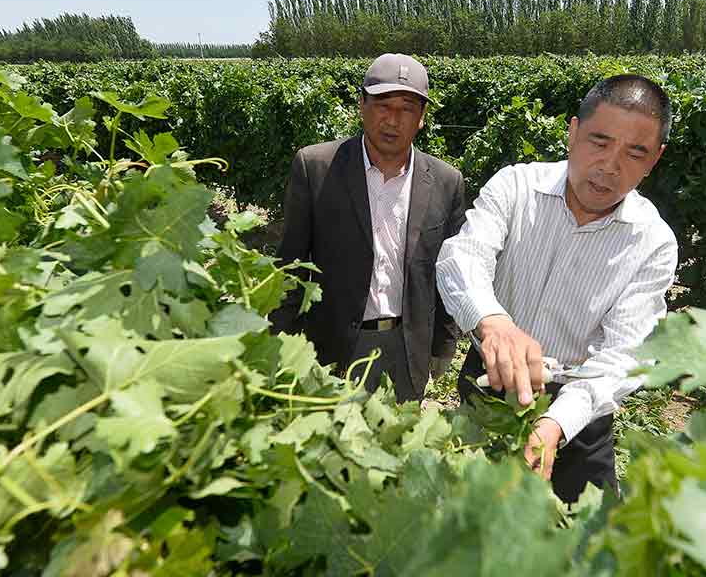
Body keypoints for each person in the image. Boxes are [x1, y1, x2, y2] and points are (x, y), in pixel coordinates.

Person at [435, 74, 677, 502]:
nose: (610, 166)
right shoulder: (515, 187)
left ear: (654, 160)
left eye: (634, 153)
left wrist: (555, 424)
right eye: (599, 142)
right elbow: (462, 258)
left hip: (579, 413)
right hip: (490, 388)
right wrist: (495, 325)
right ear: (573, 132)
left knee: (587, 550)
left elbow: (623, 357)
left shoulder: (653, 242)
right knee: (468, 529)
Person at [270, 53, 466, 402]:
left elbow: (448, 272)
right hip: (334, 346)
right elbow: (290, 266)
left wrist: (443, 344)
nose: (393, 120)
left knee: (398, 447)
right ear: (361, 106)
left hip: (407, 349)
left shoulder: (446, 182)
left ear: (422, 118)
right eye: (382, 105)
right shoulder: (316, 168)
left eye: (407, 108)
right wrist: (279, 344)